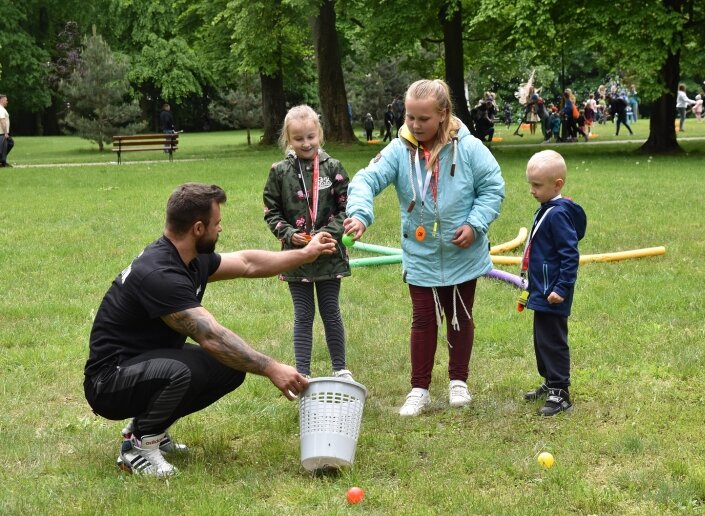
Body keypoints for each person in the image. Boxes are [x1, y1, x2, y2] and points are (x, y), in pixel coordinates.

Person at [84, 183, 337, 477]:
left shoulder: (187, 257)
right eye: (217, 224)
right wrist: (271, 368)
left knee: (228, 368)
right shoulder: (160, 274)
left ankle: (149, 428)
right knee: (187, 369)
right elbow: (211, 336)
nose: (221, 230)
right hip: (109, 382)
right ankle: (139, 447)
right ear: (198, 228)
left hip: (142, 361)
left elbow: (247, 263)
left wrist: (306, 254)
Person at [344, 79, 505, 417]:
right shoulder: (399, 150)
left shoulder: (470, 147)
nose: (415, 126)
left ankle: (458, 381)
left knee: (459, 317)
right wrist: (359, 214)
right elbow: (365, 180)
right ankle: (419, 389)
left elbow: (493, 187)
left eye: (423, 119)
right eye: (410, 117)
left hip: (463, 252)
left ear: (443, 115)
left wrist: (475, 225)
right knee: (423, 319)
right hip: (421, 255)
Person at [263, 104, 353, 381]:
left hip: (328, 253)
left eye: (311, 136)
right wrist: (290, 234)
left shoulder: (334, 168)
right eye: (299, 138)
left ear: (320, 134)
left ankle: (340, 369)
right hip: (296, 258)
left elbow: (346, 208)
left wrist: (327, 233)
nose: (306, 143)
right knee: (303, 315)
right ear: (288, 139)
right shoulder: (279, 172)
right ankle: (302, 372)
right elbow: (271, 212)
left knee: (331, 312)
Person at [520, 150, 586, 416]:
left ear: (557, 184)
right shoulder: (546, 208)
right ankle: (549, 381)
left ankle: (561, 392)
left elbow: (570, 254)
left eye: (537, 185)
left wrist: (561, 287)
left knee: (553, 340)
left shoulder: (558, 214)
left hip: (554, 291)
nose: (532, 190)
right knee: (541, 339)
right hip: (542, 288)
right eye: (530, 184)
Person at [0, 94, 14, 168]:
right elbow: (2, 121)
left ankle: (3, 162)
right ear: (1, 100)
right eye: (6, 100)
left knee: (10, 143)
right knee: (2, 148)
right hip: (2, 133)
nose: (7, 101)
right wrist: (5, 133)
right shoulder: (1, 109)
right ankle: (3, 163)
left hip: (3, 133)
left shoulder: (2, 109)